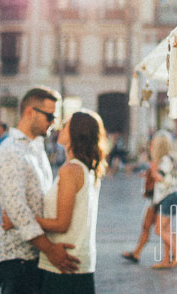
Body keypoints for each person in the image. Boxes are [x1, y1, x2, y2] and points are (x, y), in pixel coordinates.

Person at [0, 87, 79, 294]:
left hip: (35, 256)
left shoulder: (36, 149)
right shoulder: (10, 150)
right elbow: (18, 210)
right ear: (30, 112)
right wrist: (51, 250)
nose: (53, 122)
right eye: (49, 116)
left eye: (55, 117)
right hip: (17, 259)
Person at [36, 111, 107, 294]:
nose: (60, 127)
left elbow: (61, 224)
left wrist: (21, 220)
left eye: (66, 125)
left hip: (65, 264)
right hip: (77, 263)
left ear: (76, 132)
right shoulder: (85, 169)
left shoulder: (71, 170)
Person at [148, 130, 177, 269]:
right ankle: (166, 260)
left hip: (167, 196)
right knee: (167, 229)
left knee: (159, 230)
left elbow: (159, 177)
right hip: (171, 196)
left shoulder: (165, 160)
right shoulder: (171, 158)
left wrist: (152, 170)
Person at [120, 140, 158, 263]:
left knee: (157, 228)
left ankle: (174, 253)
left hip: (156, 200)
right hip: (154, 199)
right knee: (153, 227)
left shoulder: (158, 162)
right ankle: (137, 252)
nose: (149, 147)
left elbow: (155, 180)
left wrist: (148, 180)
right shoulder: (154, 161)